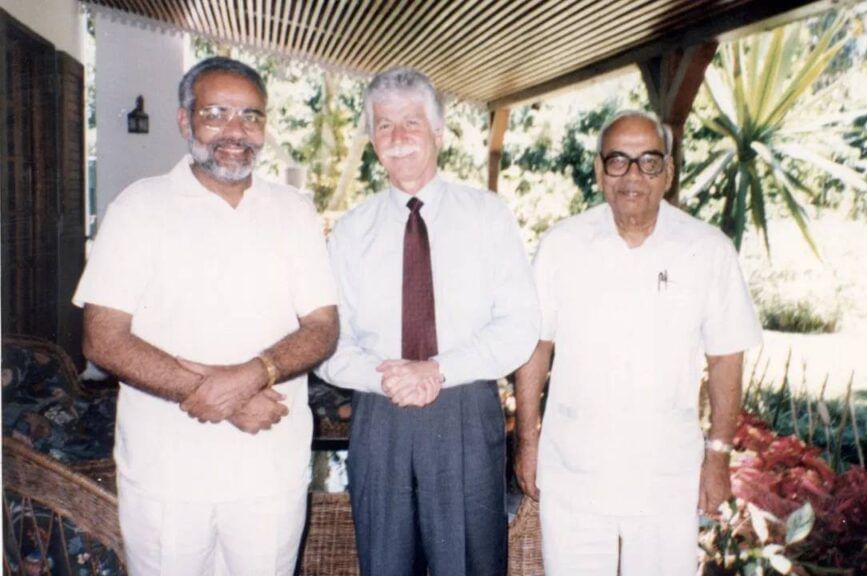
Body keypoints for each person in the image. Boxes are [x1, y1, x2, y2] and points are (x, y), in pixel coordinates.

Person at [75, 56, 339, 576]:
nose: (235, 131)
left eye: (251, 116)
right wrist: (220, 395)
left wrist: (251, 376)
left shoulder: (296, 211)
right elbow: (102, 339)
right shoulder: (139, 208)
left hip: (270, 468)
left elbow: (323, 327)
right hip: (167, 475)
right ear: (184, 120)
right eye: (216, 113)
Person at [513, 110, 763, 575]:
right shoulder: (561, 245)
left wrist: (718, 456)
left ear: (669, 171)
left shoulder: (707, 249)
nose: (633, 176)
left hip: (665, 479)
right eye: (618, 161)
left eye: (649, 161)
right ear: (599, 170)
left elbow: (726, 356)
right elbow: (535, 347)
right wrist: (528, 442)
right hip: (574, 474)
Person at [316, 67, 540, 576]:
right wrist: (389, 377)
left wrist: (436, 369)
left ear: (438, 132)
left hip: (464, 410)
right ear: (373, 139)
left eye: (411, 123)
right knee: (385, 564)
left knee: (471, 562)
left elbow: (519, 324)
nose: (397, 137)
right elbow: (328, 339)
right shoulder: (350, 231)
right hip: (380, 411)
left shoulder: (487, 216)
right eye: (384, 125)